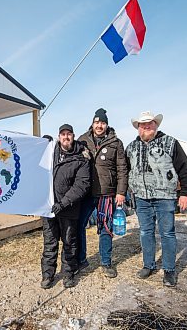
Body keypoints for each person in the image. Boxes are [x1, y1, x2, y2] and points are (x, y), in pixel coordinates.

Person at [126, 111, 187, 287]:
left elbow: (185, 168)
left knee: (167, 234)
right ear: (138, 127)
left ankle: (169, 270)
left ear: (156, 125)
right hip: (141, 198)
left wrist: (185, 193)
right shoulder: (131, 147)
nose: (146, 126)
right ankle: (149, 265)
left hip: (165, 197)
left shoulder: (170, 143)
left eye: (150, 123)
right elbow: (125, 170)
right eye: (143, 124)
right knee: (145, 233)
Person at [76, 108, 128, 278]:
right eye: (97, 122)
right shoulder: (82, 140)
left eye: (102, 123)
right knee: (79, 226)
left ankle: (106, 262)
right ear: (92, 123)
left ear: (106, 125)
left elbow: (122, 169)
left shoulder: (115, 142)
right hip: (86, 192)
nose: (99, 126)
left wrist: (121, 192)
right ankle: (81, 260)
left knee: (106, 228)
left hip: (107, 193)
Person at [41, 124, 91, 289]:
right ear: (59, 137)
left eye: (69, 134)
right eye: (63, 134)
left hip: (69, 208)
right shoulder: (51, 152)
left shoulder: (81, 158)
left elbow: (81, 185)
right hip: (49, 208)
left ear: (73, 136)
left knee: (69, 241)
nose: (66, 137)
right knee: (50, 242)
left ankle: (68, 273)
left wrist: (63, 203)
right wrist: (42, 143)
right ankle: (48, 275)